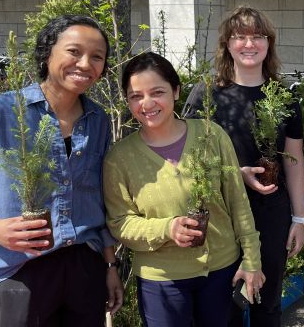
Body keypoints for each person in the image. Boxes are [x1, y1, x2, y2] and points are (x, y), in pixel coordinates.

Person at [0, 15, 123, 326]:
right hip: (19, 267)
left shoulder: (97, 119)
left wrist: (110, 266)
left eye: (97, 57)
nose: (85, 64)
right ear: (47, 53)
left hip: (85, 263)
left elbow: (100, 198)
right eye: (74, 51)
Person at [103, 52, 264, 327]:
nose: (147, 104)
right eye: (136, 96)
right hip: (161, 280)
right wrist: (167, 229)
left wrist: (252, 260)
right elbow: (120, 223)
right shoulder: (119, 158)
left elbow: (238, 202)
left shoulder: (211, 135)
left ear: (176, 91)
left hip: (220, 271)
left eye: (157, 92)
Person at [183, 6, 304, 327]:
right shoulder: (206, 94)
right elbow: (189, 159)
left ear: (269, 43)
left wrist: (299, 218)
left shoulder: (285, 97)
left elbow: (293, 161)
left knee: (268, 302)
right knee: (227, 305)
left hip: (271, 212)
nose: (249, 44)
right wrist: (235, 175)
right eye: (240, 37)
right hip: (222, 213)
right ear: (227, 44)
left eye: (258, 36)